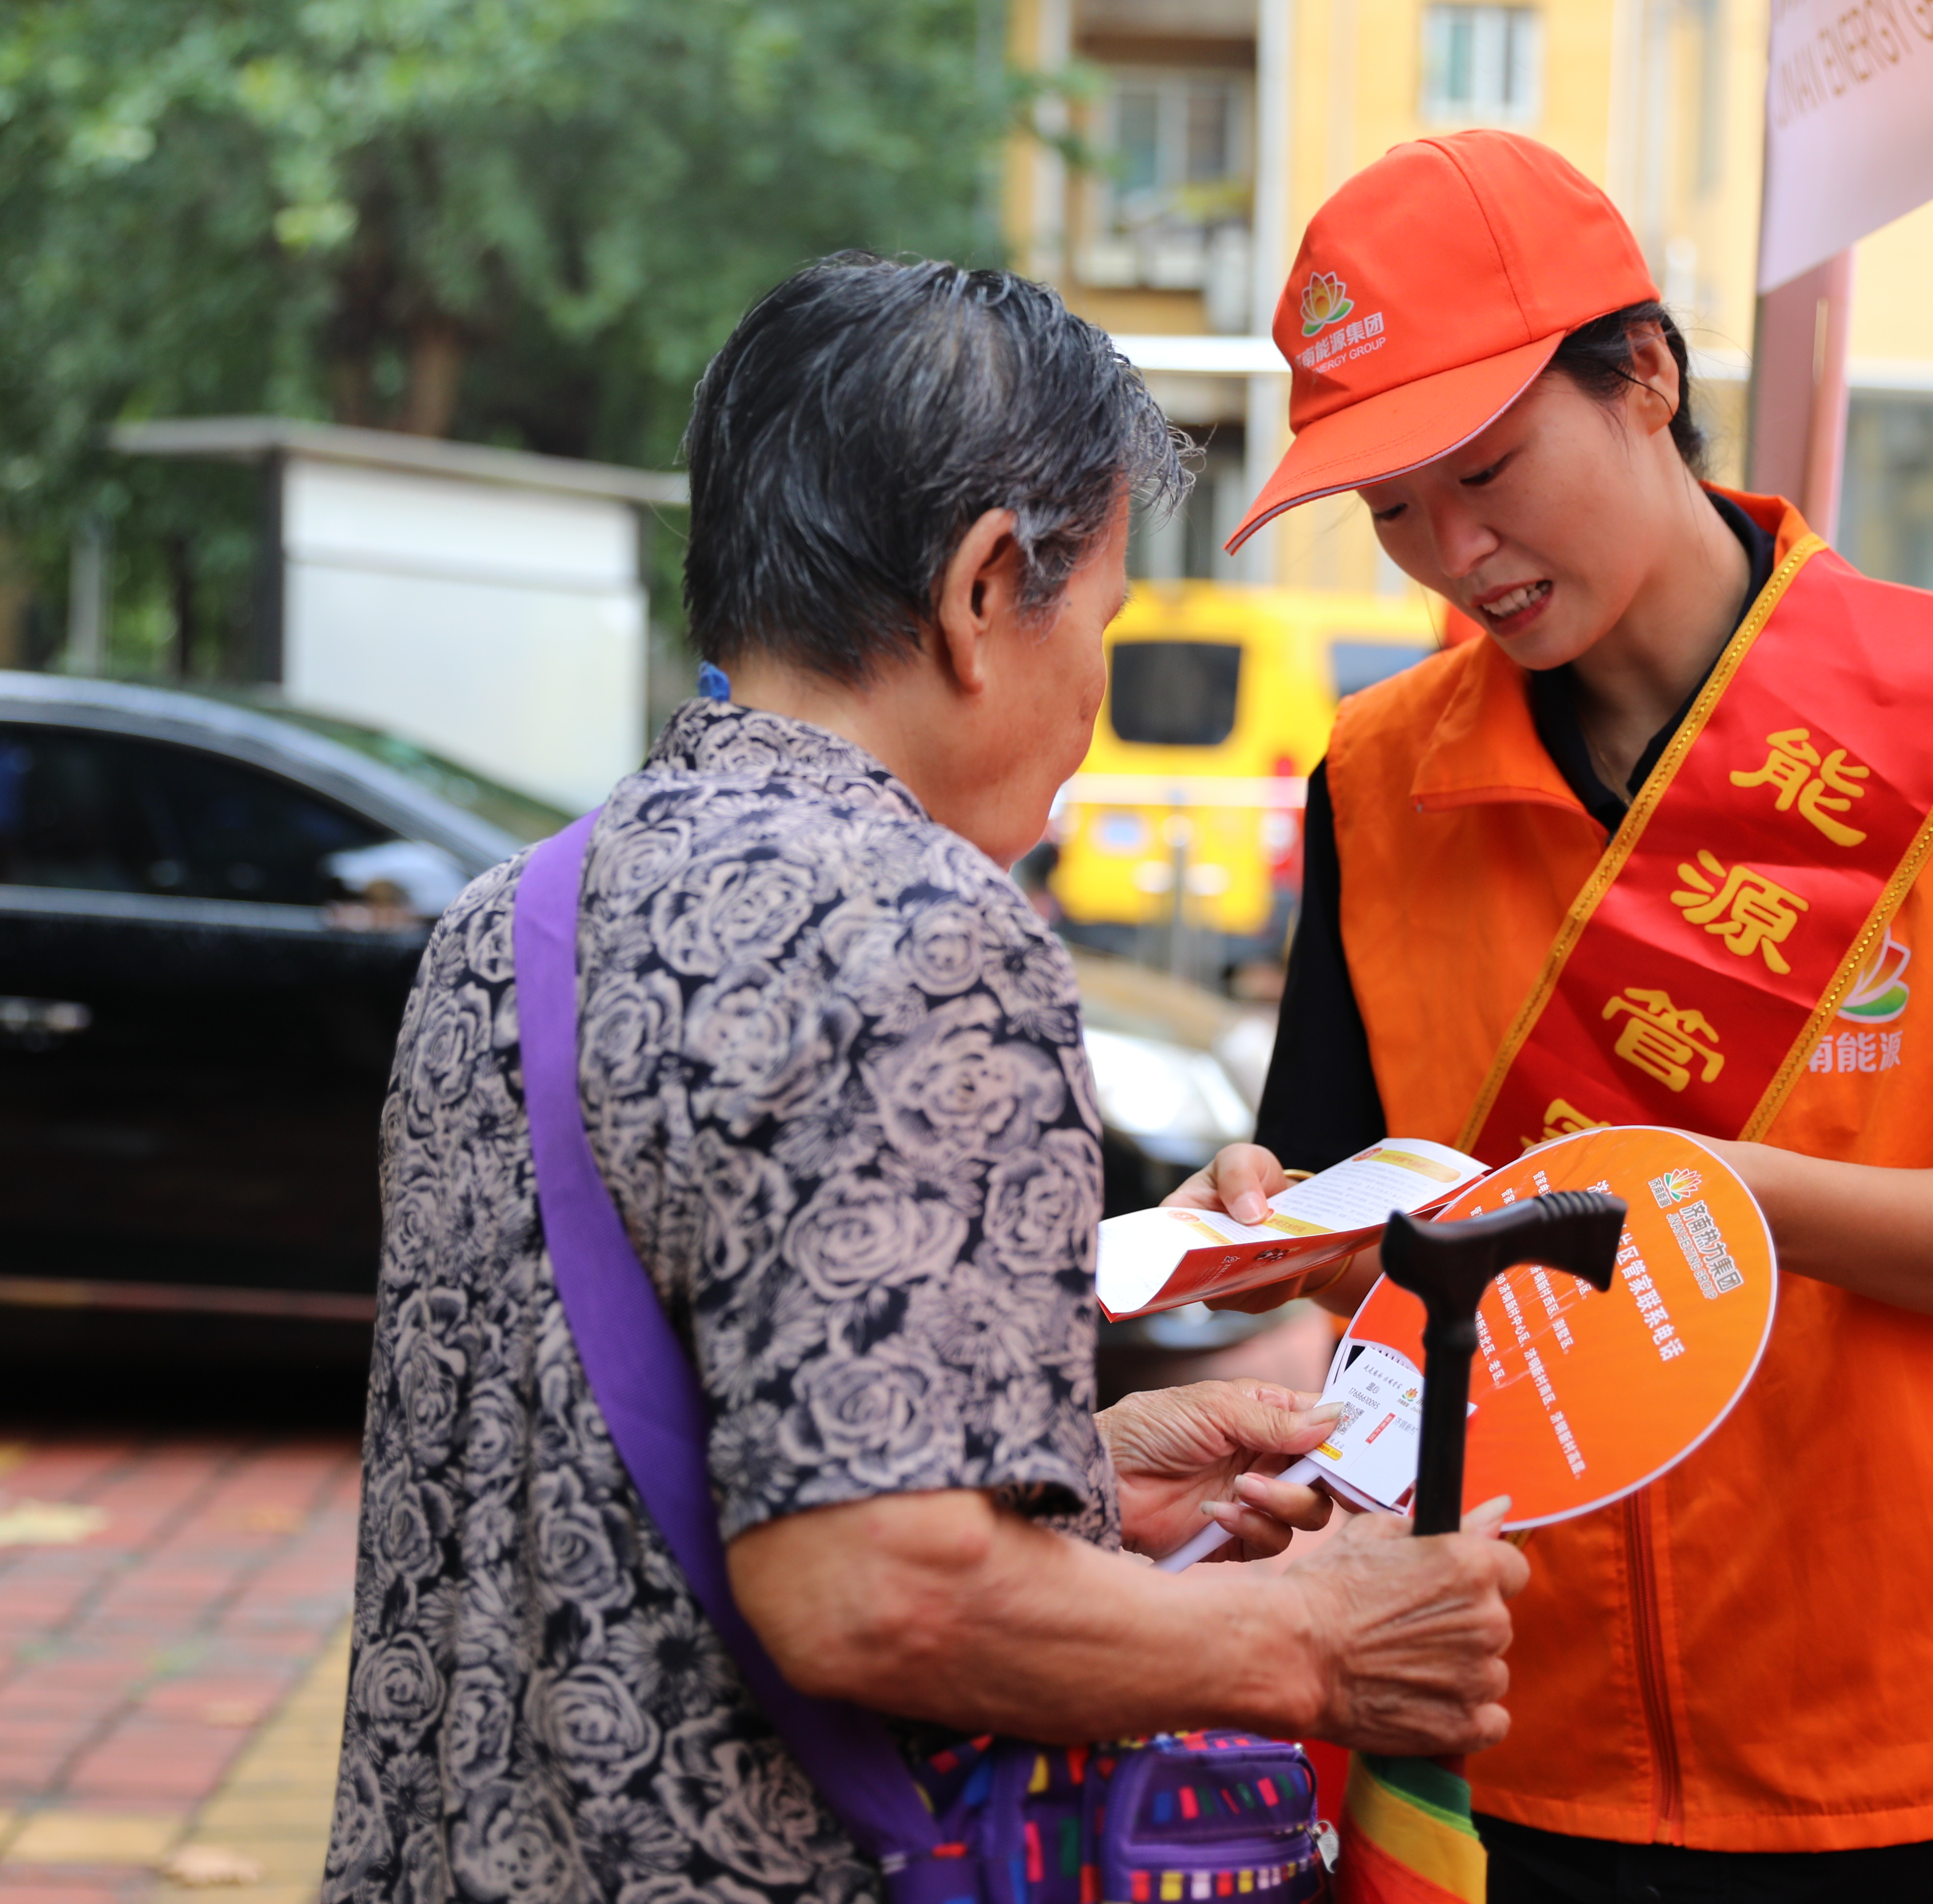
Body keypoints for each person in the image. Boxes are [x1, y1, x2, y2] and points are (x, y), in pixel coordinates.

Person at [323, 254, 1530, 1904]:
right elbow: (873, 1593)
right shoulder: (928, 932)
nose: (1096, 693)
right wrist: (1309, 1638)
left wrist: (1081, 1479)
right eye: (1101, 622)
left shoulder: (508, 923)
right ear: (983, 592)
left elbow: (673, 1466)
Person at [1176, 134, 1933, 1902]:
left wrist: (1717, 1200)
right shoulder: (1377, 783)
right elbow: (1376, 1232)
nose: (1457, 554)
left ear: (1647, 376)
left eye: (1487, 470)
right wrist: (1273, 1226)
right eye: (1392, 511)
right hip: (1513, 1726)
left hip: (1919, 1742)